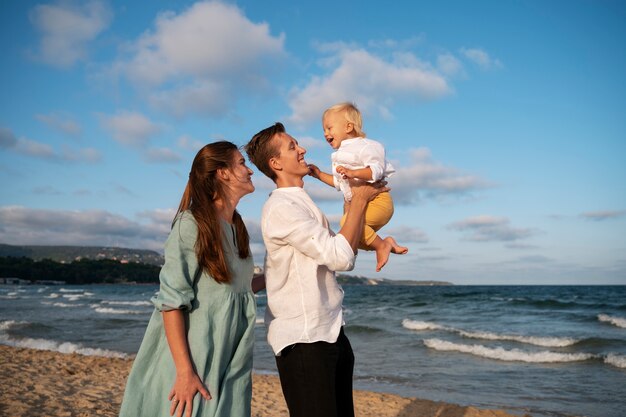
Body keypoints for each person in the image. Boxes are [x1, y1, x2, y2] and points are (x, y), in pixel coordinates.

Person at [245, 122, 387, 417]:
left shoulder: (301, 201)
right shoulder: (282, 207)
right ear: (275, 163)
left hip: (331, 330)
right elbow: (341, 258)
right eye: (292, 146)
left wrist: (378, 241)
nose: (303, 149)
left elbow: (336, 249)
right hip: (304, 340)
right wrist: (359, 199)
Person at [119, 141, 265, 417]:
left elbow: (236, 290)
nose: (250, 171)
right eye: (242, 163)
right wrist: (185, 372)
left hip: (231, 353)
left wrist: (277, 276)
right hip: (194, 354)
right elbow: (172, 301)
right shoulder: (192, 223)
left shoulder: (238, 226)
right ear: (222, 173)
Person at [309, 102, 408, 272]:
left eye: (329, 128)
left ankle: (381, 246)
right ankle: (385, 244)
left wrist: (353, 172)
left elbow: (376, 171)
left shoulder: (367, 146)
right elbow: (339, 183)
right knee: (349, 233)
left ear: (348, 127)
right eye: (324, 130)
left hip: (378, 201)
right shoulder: (341, 154)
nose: (325, 134)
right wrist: (318, 174)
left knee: (347, 222)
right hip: (362, 203)